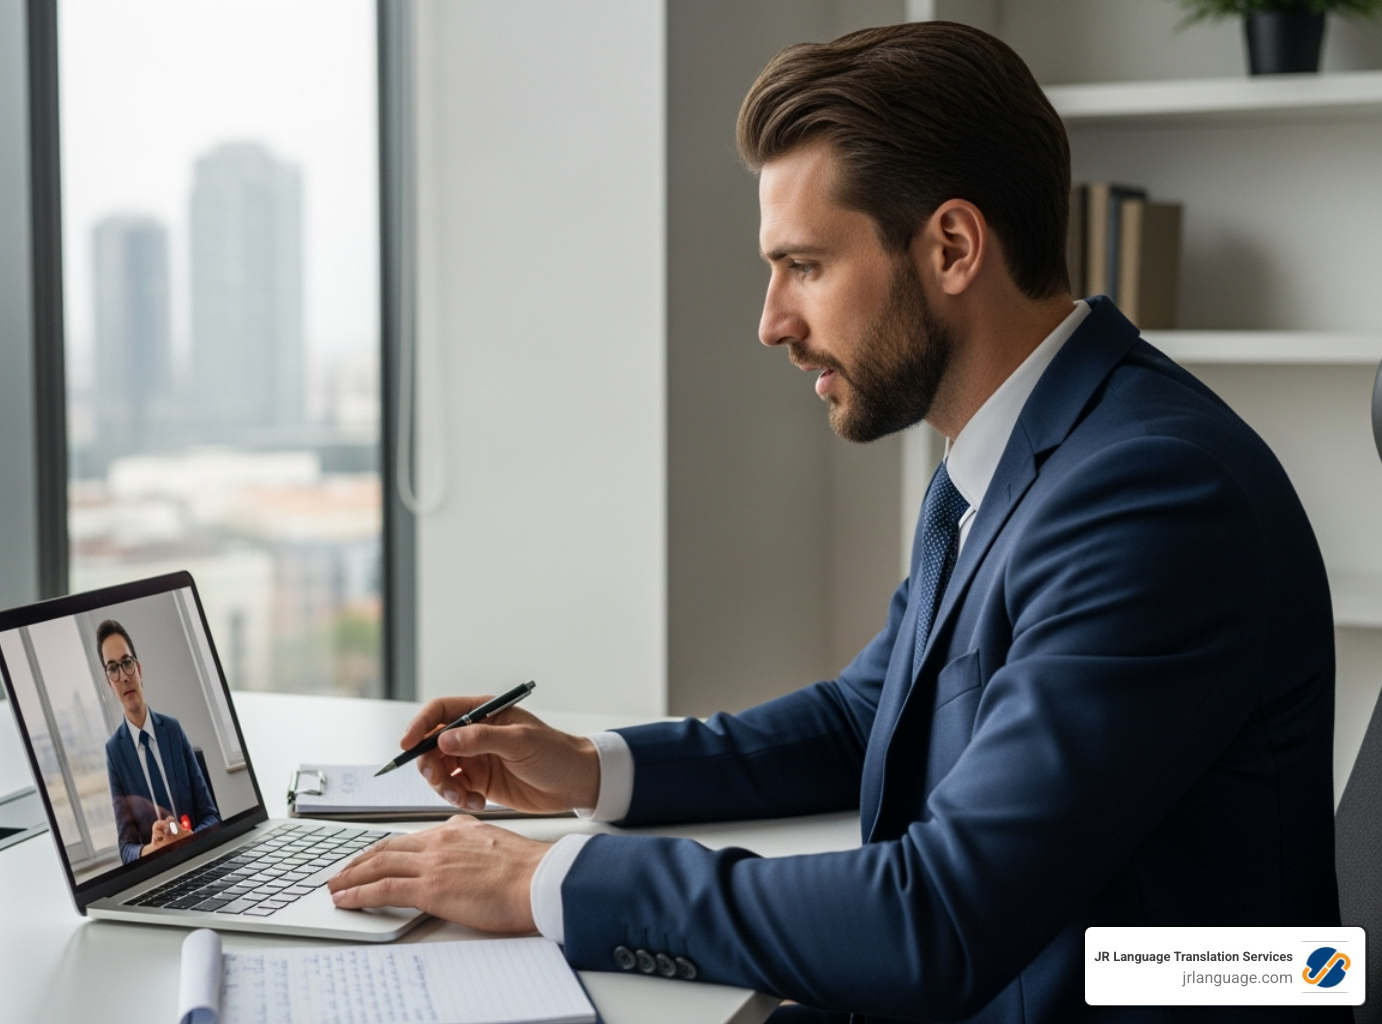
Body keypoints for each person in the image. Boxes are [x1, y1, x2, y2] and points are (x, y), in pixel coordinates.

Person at [326, 22, 1344, 1022]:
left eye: (805, 266)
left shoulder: (1150, 497)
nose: (772, 320)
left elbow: (936, 920)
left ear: (951, 245)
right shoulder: (1008, 458)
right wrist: (594, 768)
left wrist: (550, 883)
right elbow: (870, 717)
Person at [98, 618, 221, 863]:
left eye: (126, 663)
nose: (123, 676)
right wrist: (152, 849)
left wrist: (189, 837)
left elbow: (212, 817)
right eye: (113, 669)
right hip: (159, 871)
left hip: (198, 860)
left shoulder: (173, 730)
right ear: (109, 683)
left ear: (139, 669)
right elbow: (127, 849)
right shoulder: (115, 752)